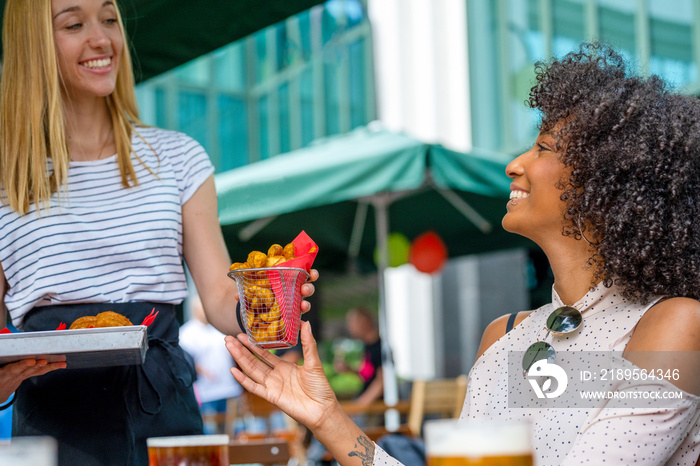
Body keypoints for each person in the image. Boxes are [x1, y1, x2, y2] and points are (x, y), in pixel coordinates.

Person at [225, 42, 700, 465]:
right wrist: (327, 417)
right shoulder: (504, 337)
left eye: (543, 147)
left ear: (610, 184)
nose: (515, 164)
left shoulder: (672, 326)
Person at [0, 1, 317, 464]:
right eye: (74, 24)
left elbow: (217, 298)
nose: (102, 39)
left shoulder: (178, 158)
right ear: (34, 47)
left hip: (166, 411)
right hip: (52, 421)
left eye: (109, 19)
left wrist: (267, 300)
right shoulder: (6, 176)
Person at [179, 295, 243, 433]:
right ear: (195, 310)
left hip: (229, 388)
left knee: (234, 432)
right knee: (211, 433)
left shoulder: (218, 328)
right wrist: (205, 372)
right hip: (206, 391)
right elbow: (185, 360)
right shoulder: (187, 333)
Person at [340, 308, 383, 407]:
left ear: (364, 322)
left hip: (376, 408)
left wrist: (358, 406)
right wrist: (349, 369)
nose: (349, 327)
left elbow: (381, 382)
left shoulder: (379, 347)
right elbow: (368, 376)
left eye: (352, 322)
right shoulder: (368, 346)